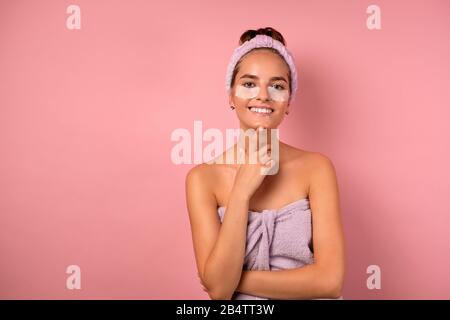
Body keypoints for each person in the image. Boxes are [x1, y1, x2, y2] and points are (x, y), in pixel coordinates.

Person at [185, 27, 345, 300]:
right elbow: (220, 295)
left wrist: (233, 278)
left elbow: (330, 282)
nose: (263, 95)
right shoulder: (202, 179)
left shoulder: (317, 168)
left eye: (277, 86)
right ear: (231, 96)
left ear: (289, 102)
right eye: (249, 84)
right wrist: (241, 191)